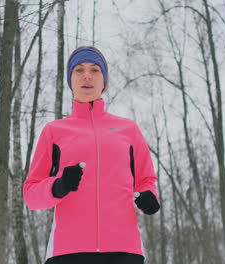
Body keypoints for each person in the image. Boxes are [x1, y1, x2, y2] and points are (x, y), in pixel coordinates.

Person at [23, 46, 160, 264]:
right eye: (79, 70)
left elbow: (146, 180)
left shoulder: (128, 130)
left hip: (124, 250)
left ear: (104, 81)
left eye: (95, 70)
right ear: (70, 80)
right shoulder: (54, 131)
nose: (87, 75)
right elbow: (31, 195)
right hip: (67, 252)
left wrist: (149, 197)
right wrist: (58, 186)